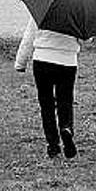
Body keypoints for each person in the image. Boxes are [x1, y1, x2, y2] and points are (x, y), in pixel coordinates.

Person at [15, 16, 83, 158]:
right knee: (65, 100)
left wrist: (20, 63)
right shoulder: (78, 11)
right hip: (68, 62)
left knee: (46, 104)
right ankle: (66, 128)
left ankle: (53, 145)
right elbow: (86, 38)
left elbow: (29, 36)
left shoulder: (42, 8)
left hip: (42, 60)